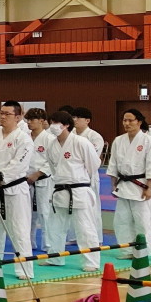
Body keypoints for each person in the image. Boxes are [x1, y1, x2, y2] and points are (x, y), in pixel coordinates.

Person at [0, 102, 35, 279]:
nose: (2, 116)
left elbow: (20, 164)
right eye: (1, 113)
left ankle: (24, 269)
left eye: (7, 114)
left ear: (18, 117)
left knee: (19, 229)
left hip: (15, 189)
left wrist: (0, 176)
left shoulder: (24, 138)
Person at [41, 110, 102, 271]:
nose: (53, 126)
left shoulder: (81, 142)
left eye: (56, 123)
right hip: (60, 189)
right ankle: (55, 258)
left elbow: (93, 165)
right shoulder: (52, 145)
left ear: (67, 125)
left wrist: (80, 179)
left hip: (79, 189)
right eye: (51, 123)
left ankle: (91, 262)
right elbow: (53, 169)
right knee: (55, 227)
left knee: (85, 228)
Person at [108, 109, 151, 258]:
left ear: (139, 122)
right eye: (124, 120)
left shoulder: (149, 141)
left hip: (141, 185)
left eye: (130, 120)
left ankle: (144, 251)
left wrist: (149, 187)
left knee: (142, 221)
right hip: (123, 185)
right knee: (121, 220)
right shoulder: (119, 140)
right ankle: (127, 250)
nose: (127, 123)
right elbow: (113, 165)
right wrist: (113, 184)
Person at [25, 108, 55, 251]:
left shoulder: (49, 139)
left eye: (32, 120)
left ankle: (47, 243)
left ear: (42, 121)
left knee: (44, 212)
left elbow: (53, 161)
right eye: (28, 120)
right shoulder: (24, 137)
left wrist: (37, 174)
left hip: (43, 180)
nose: (29, 123)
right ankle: (29, 242)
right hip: (25, 180)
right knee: (27, 213)